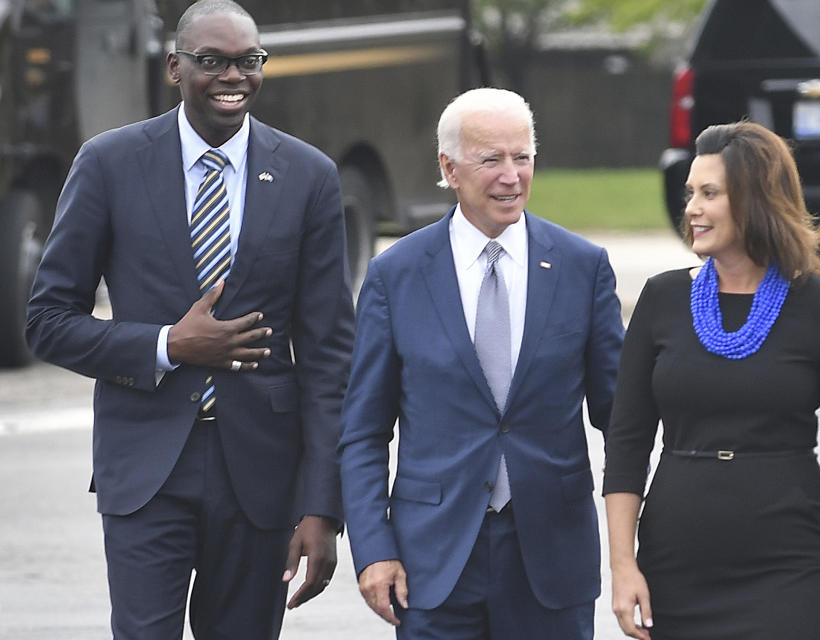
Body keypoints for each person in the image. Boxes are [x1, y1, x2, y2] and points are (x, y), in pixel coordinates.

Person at [25, 1, 354, 637]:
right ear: (175, 67)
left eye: (248, 61)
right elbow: (47, 319)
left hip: (261, 473)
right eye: (213, 62)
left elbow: (329, 354)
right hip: (145, 466)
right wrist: (167, 346)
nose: (234, 76)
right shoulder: (108, 163)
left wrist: (322, 506)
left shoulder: (309, 176)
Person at [338, 87, 625, 640]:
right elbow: (363, 431)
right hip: (432, 563)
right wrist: (373, 549)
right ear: (448, 167)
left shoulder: (581, 267)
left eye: (523, 157)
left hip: (551, 559)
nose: (511, 176)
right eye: (491, 159)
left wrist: (630, 540)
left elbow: (621, 420)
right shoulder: (396, 275)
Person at [603, 121, 820, 640]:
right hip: (678, 560)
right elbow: (626, 443)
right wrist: (623, 567)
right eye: (690, 192)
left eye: (709, 193)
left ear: (756, 201)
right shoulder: (662, 298)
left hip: (790, 563)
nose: (691, 208)